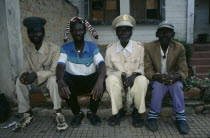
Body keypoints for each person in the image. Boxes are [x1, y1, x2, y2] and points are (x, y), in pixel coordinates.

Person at [14, 17, 68, 132]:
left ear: (43, 32)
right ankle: (28, 114)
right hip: (34, 83)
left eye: (37, 31)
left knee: (54, 79)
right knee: (19, 80)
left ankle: (58, 113)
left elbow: (54, 70)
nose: (34, 34)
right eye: (31, 32)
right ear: (28, 34)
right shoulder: (27, 49)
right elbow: (26, 67)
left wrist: (36, 74)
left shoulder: (54, 49)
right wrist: (24, 74)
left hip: (48, 83)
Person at [56, 17, 106, 128]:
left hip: (89, 82)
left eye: (80, 30)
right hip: (73, 82)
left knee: (102, 79)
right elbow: (60, 66)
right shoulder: (65, 48)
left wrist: (100, 80)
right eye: (74, 30)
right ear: (71, 32)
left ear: (84, 31)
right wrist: (60, 81)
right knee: (63, 81)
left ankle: (91, 112)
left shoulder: (92, 47)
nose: (77, 33)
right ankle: (77, 113)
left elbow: (101, 64)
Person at [144, 21, 190, 134]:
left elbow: (183, 69)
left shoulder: (179, 47)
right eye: (161, 32)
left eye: (168, 32)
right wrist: (156, 76)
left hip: (173, 78)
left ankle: (180, 117)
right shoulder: (149, 47)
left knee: (178, 86)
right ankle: (152, 116)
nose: (164, 34)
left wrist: (176, 76)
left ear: (173, 34)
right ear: (157, 34)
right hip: (156, 79)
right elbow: (147, 68)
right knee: (159, 86)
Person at [105, 15, 149, 127]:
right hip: (119, 78)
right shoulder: (110, 49)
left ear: (131, 32)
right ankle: (118, 112)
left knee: (142, 80)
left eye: (127, 29)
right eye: (120, 30)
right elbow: (109, 69)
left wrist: (135, 75)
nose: (124, 32)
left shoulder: (139, 47)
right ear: (116, 32)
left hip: (135, 78)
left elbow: (143, 66)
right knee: (110, 80)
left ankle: (137, 112)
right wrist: (121, 75)